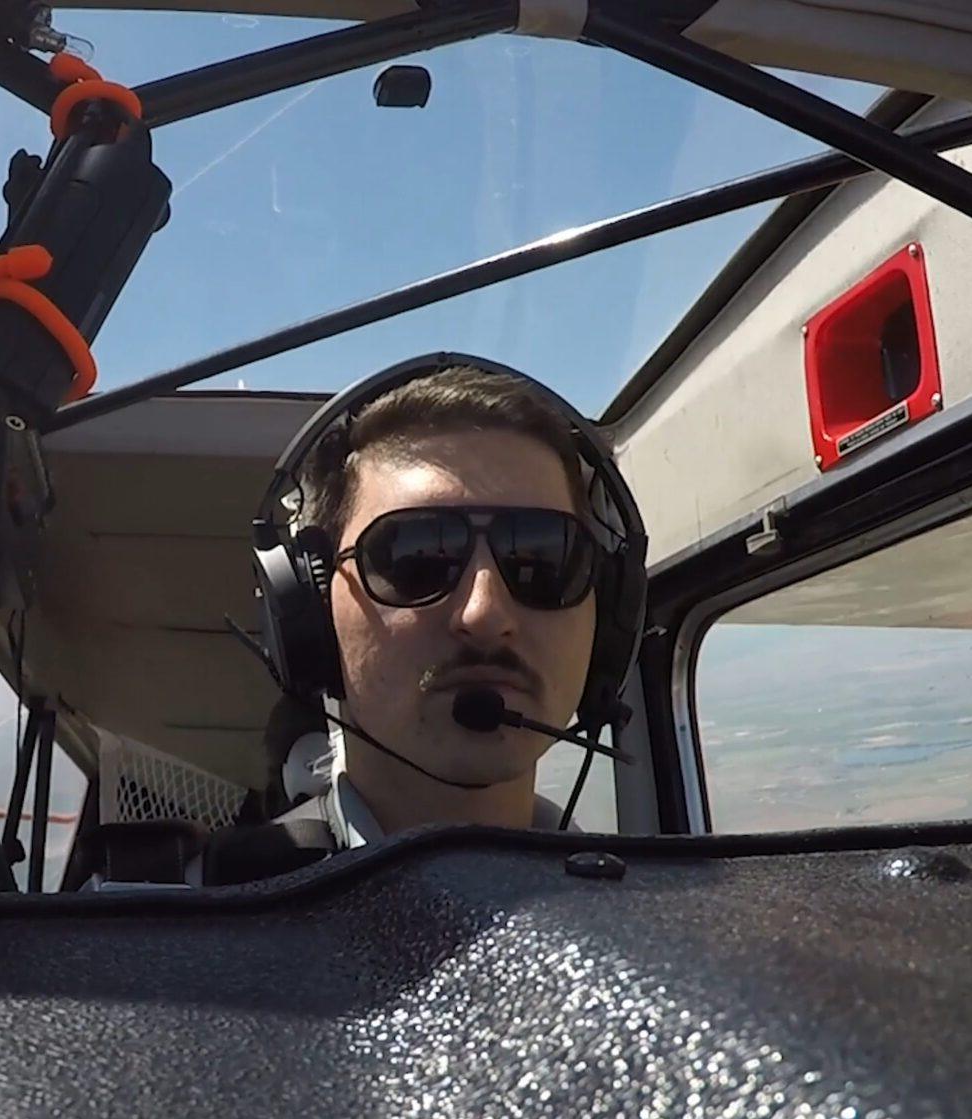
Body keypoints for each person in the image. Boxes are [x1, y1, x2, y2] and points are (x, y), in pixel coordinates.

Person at [214, 353, 648, 874]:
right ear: (311, 609)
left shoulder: (656, 928)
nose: (484, 612)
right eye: (415, 560)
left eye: (543, 562)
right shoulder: (192, 927)